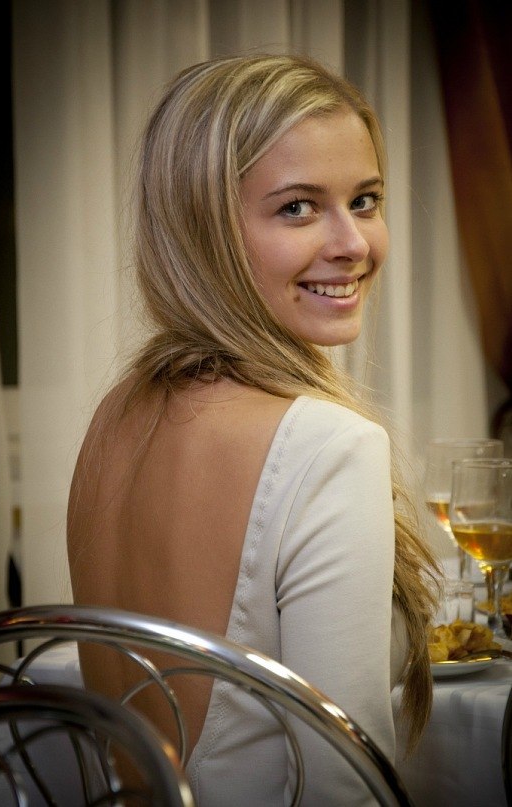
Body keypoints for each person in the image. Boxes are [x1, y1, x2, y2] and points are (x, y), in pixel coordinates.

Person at [67, 53, 440, 805]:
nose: (353, 243)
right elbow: (345, 789)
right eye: (297, 208)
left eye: (364, 200)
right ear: (202, 231)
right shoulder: (329, 446)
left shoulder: (115, 418)